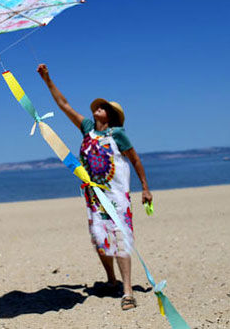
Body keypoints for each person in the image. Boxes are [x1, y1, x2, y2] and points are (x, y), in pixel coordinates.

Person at [37, 63, 153, 311]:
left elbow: (135, 160)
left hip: (117, 196)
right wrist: (47, 80)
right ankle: (111, 280)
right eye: (97, 107)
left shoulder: (118, 134)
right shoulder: (87, 129)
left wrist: (145, 187)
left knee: (120, 238)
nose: (97, 109)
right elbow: (64, 105)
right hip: (93, 197)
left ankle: (127, 291)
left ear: (109, 115)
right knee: (100, 239)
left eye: (102, 108)